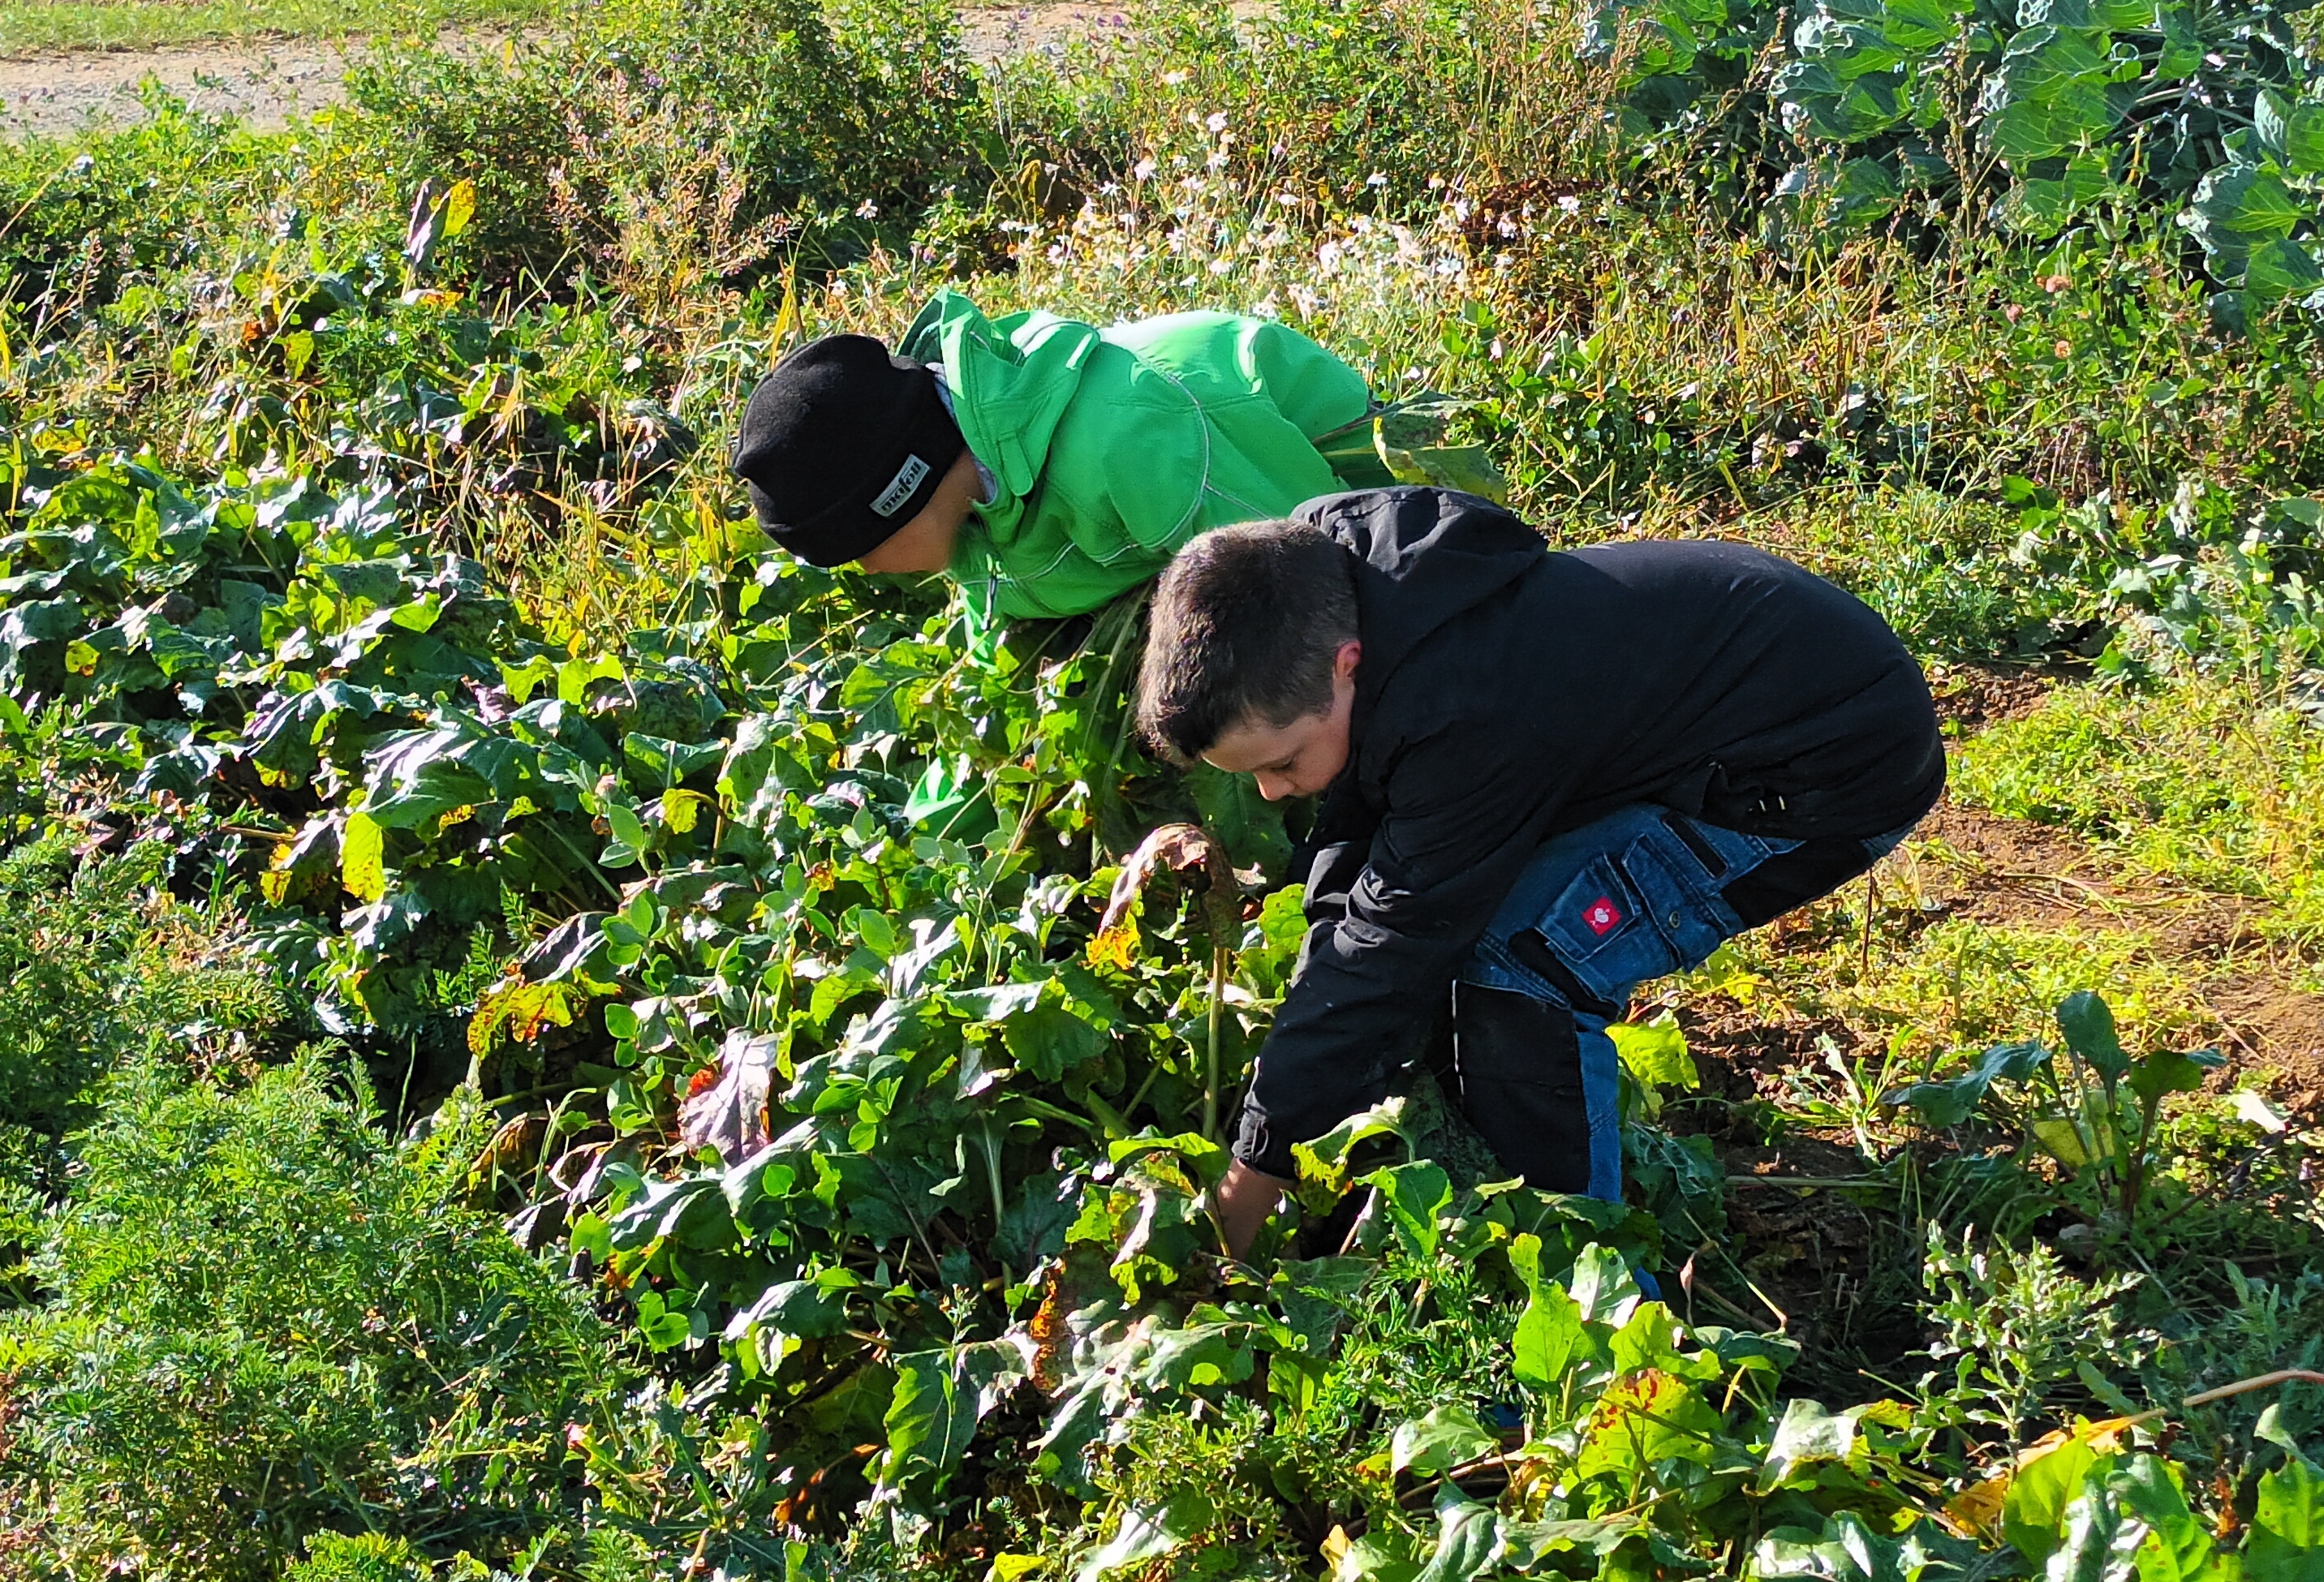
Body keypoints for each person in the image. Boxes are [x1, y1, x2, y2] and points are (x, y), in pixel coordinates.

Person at [1132, 487, 1946, 1256]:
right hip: (1720, 715)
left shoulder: (1460, 707)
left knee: (1517, 969)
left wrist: (1253, 1174)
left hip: (1822, 774)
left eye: (1280, 763)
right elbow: (1360, 867)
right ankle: (1503, 1177)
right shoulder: (1328, 586)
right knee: (1444, 952)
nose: (1271, 793)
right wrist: (1292, 1094)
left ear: (1345, 665)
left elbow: (1391, 946)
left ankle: (1580, 1283)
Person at [731, 289, 1385, 626]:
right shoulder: (967, 506)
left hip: (1359, 504)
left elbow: (1327, 574)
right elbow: (1004, 638)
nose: (869, 571)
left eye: (858, 548)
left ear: (901, 492)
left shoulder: (1128, 441)